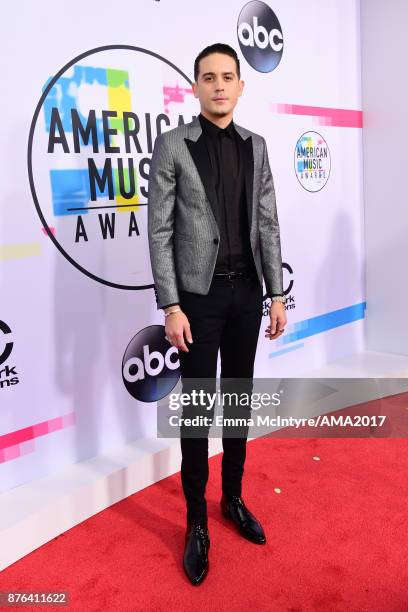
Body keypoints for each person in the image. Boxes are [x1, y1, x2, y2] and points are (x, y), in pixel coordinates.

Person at [148, 43, 287, 585]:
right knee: (198, 414)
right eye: (209, 78)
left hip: (247, 294)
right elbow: (160, 231)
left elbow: (269, 225)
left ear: (241, 86)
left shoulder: (258, 147)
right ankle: (195, 524)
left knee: (237, 402)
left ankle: (232, 499)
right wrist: (171, 304)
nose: (219, 86)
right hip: (198, 301)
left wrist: (276, 294)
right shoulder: (173, 145)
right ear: (197, 86)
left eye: (228, 77)